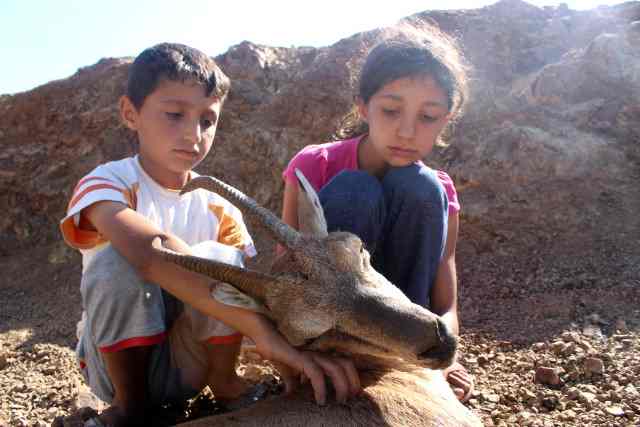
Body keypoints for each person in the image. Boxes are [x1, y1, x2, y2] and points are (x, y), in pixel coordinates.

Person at [59, 43, 360, 426]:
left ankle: (223, 383)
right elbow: (151, 255)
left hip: (190, 367)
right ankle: (130, 408)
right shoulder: (108, 182)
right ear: (130, 114)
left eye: (207, 120)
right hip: (114, 368)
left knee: (225, 260)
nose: (193, 134)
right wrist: (263, 336)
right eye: (174, 115)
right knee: (116, 258)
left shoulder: (220, 204)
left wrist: (292, 346)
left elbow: (245, 289)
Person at [281, 24, 474, 402]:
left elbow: (445, 298)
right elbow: (287, 270)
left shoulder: (440, 193)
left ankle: (412, 359)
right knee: (357, 190)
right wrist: (292, 355)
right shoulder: (313, 165)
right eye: (390, 110)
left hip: (403, 336)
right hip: (330, 333)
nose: (407, 131)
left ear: (446, 119)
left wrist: (446, 352)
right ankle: (334, 356)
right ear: (362, 106)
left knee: (421, 186)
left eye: (428, 116)